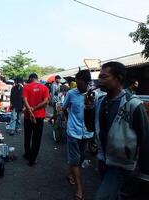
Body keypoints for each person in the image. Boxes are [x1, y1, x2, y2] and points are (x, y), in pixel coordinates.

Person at [84, 62, 149, 199]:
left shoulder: (133, 103)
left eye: (104, 77)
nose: (100, 81)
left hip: (122, 165)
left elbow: (145, 139)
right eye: (99, 77)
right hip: (103, 160)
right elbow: (91, 128)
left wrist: (146, 174)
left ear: (118, 78)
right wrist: (88, 108)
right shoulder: (100, 102)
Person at [62, 70, 93, 200]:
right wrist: (69, 121)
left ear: (87, 83)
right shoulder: (71, 93)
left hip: (86, 134)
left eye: (81, 84)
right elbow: (64, 107)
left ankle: (70, 174)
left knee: (79, 159)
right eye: (77, 83)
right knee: (75, 160)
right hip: (73, 132)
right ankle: (80, 190)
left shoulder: (94, 95)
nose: (78, 87)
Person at [22, 73, 50, 166]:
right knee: (36, 138)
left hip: (27, 116)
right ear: (37, 79)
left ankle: (27, 155)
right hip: (40, 117)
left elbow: (24, 100)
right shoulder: (45, 88)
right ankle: (32, 159)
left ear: (30, 78)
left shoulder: (26, 87)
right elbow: (46, 102)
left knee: (27, 136)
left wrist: (30, 111)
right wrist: (34, 109)